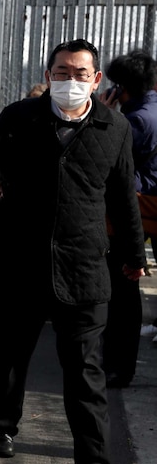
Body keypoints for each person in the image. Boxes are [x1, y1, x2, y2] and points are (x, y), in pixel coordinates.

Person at [0, 39, 146, 464]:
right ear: (48, 74)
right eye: (61, 72)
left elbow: (122, 200)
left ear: (96, 80)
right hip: (20, 263)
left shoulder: (114, 127)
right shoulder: (17, 119)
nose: (69, 81)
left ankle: (93, 463)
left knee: (86, 370)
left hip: (85, 267)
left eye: (79, 73)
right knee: (11, 350)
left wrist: (134, 256)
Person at [99, 50, 157, 387]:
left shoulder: (136, 121)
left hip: (135, 209)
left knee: (122, 292)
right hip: (144, 208)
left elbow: (110, 159)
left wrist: (105, 117)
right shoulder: (148, 111)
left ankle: (119, 367)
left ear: (122, 88)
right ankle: (120, 365)